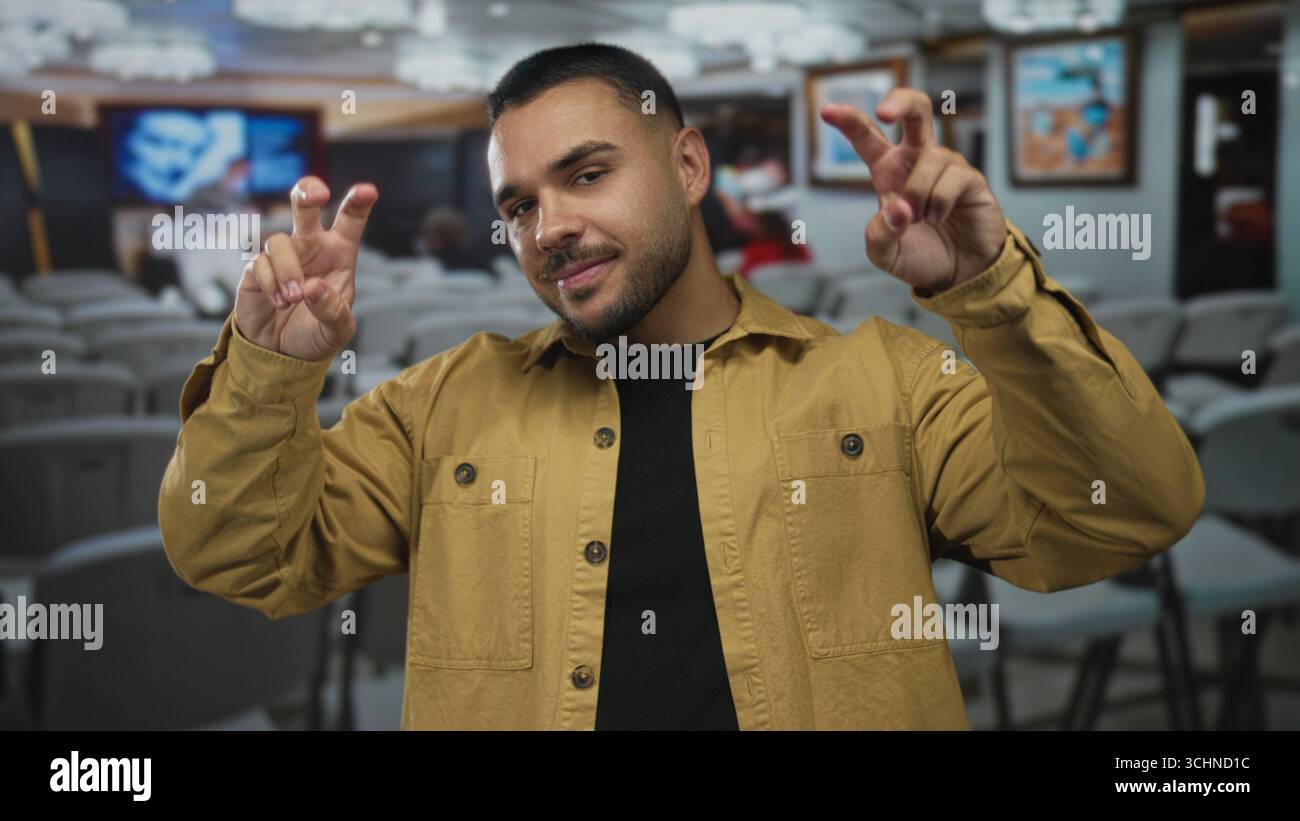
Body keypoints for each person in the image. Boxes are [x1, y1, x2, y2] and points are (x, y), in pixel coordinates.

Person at [158, 44, 1204, 730]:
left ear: (690, 164)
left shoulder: (882, 382)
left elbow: (1128, 514)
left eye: (585, 173)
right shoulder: (441, 406)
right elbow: (239, 552)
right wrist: (269, 368)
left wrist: (993, 292)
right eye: (518, 204)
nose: (548, 226)